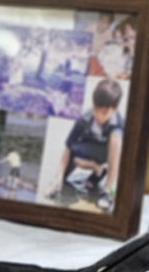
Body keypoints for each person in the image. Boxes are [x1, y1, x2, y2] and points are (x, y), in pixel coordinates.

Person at [48, 78, 124, 212]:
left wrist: (110, 189)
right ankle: (96, 169)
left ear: (115, 109)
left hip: (108, 153)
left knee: (116, 138)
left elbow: (120, 158)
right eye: (96, 109)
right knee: (62, 179)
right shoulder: (84, 119)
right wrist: (58, 177)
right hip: (87, 150)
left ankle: (105, 188)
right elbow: (69, 146)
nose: (99, 115)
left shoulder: (119, 125)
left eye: (105, 112)